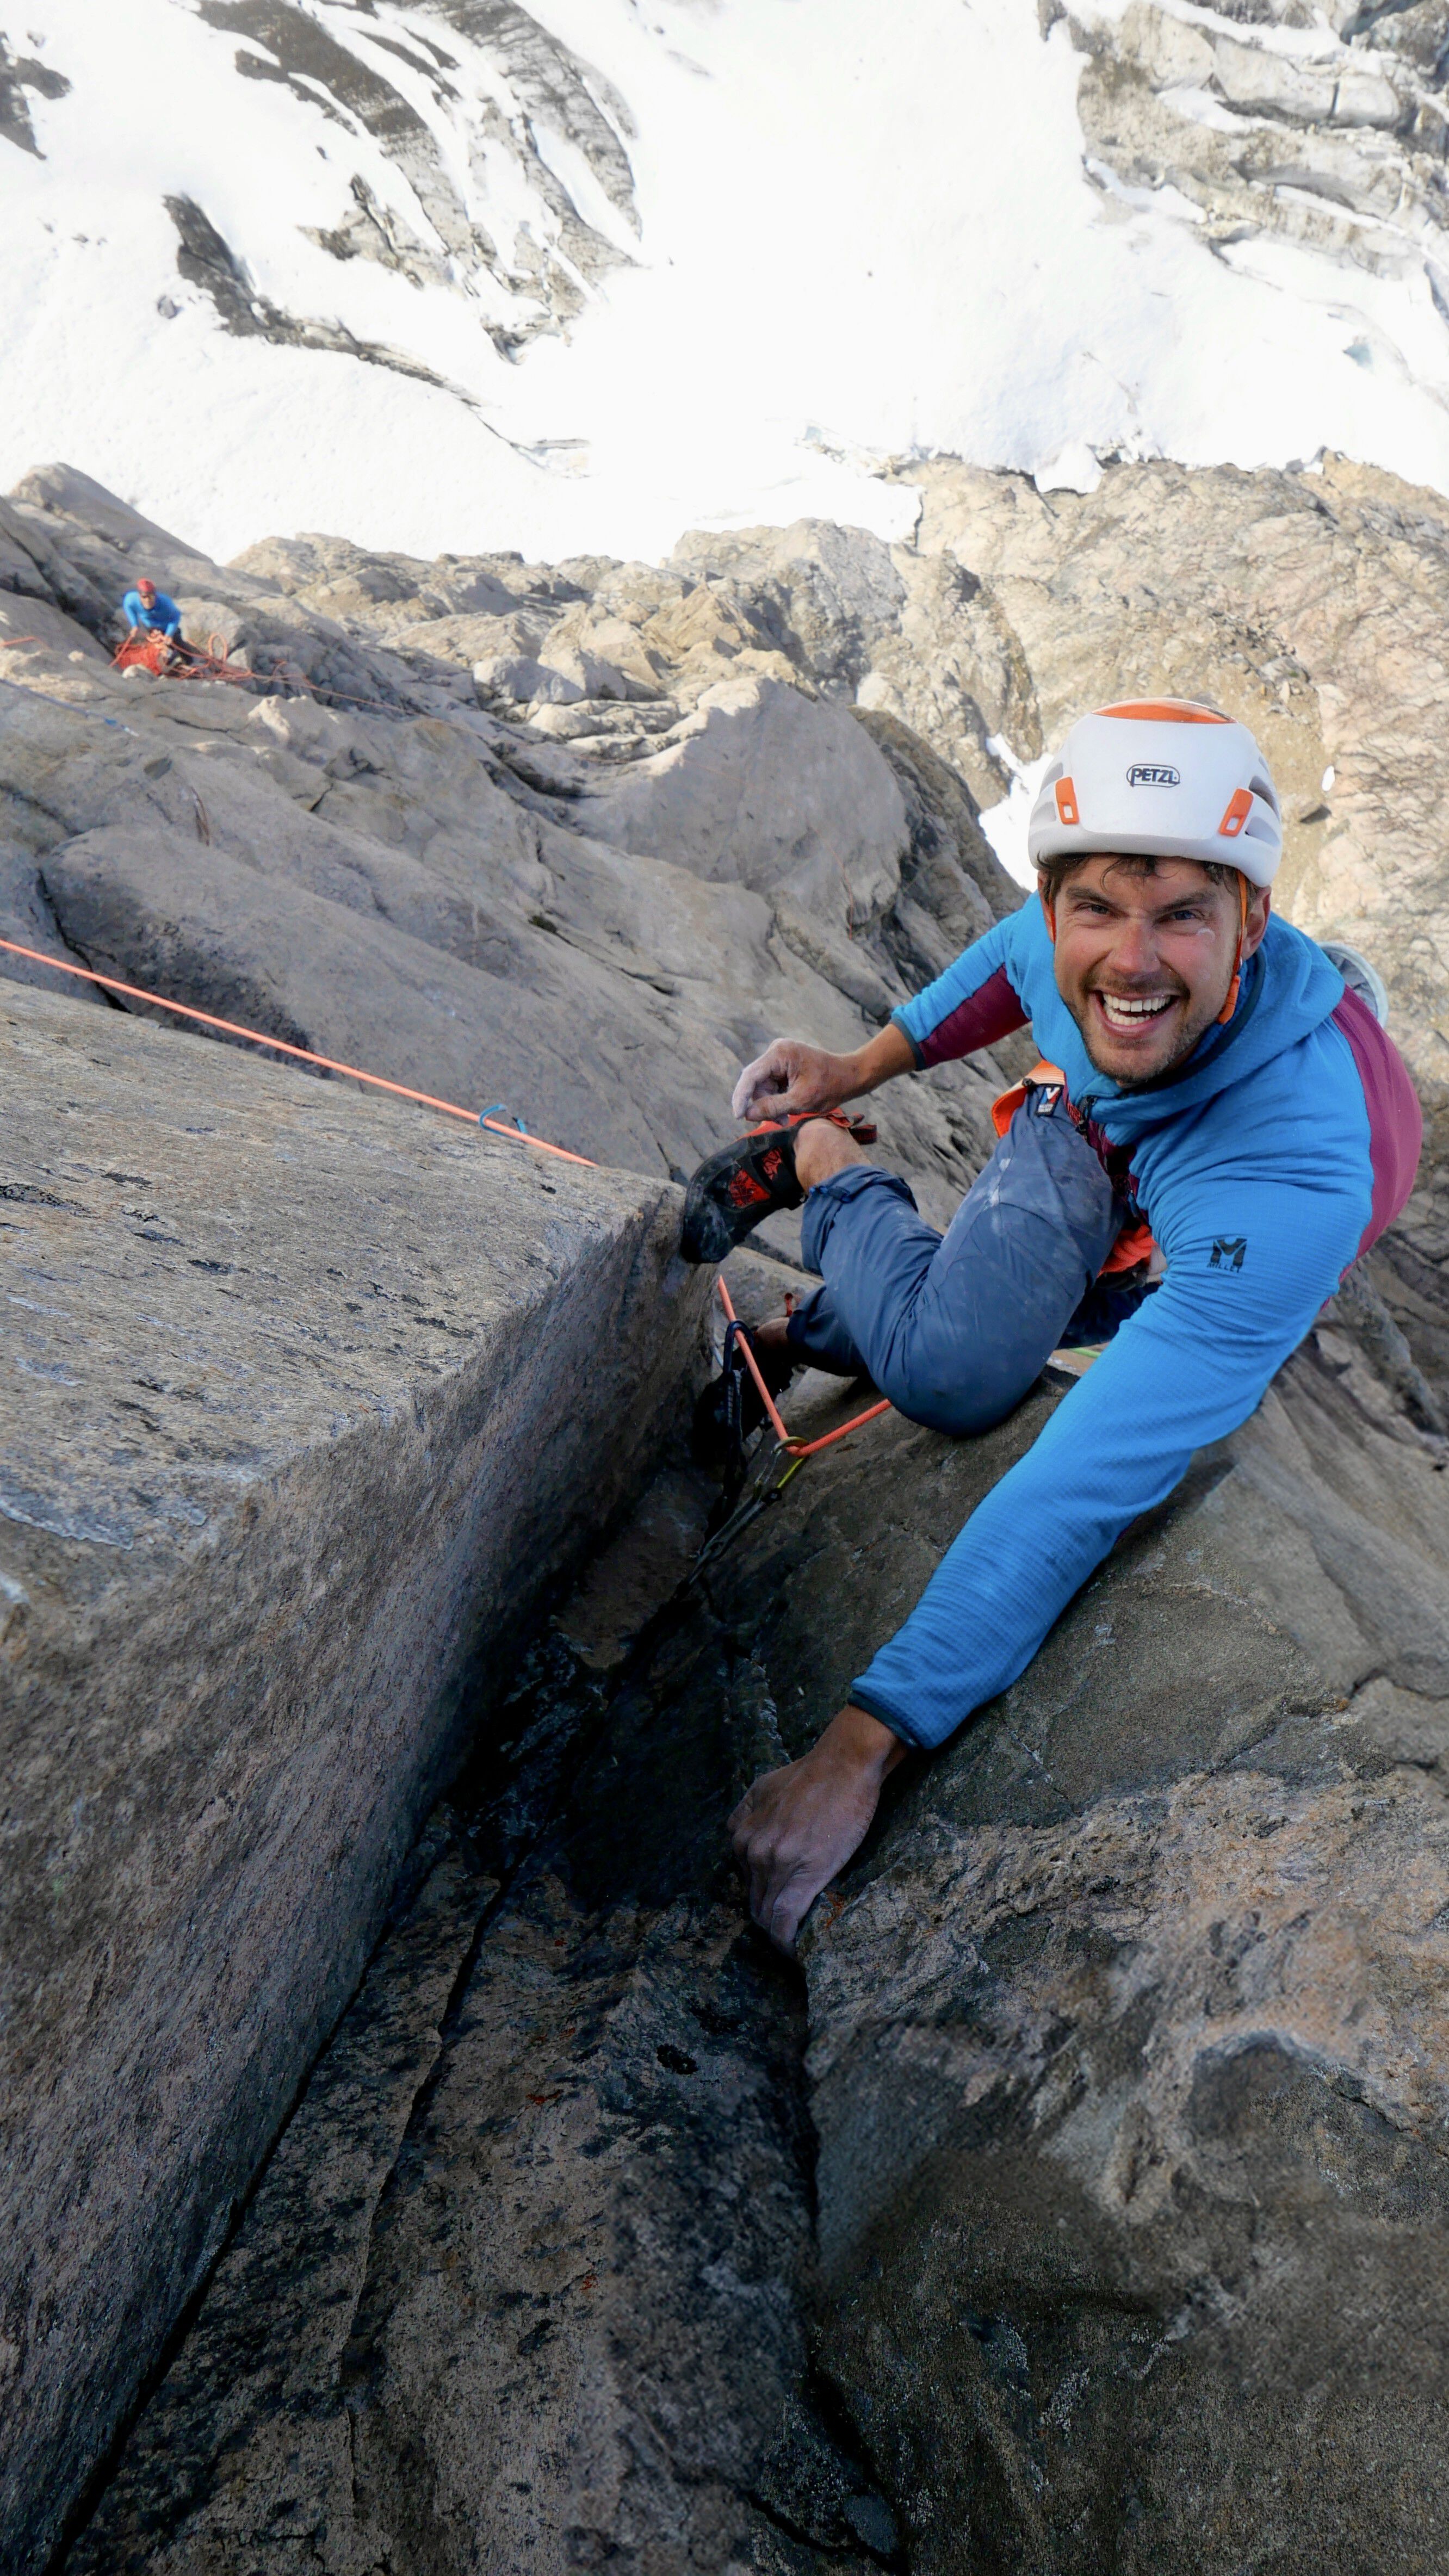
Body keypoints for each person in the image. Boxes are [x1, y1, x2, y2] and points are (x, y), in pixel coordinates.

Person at [682, 700, 1422, 1953]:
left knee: (1040, 1357)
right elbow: (1004, 963)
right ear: (1061, 899)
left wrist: (864, 1740)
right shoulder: (1078, 945)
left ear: (1251, 920)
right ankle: (820, 1170)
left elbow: (1087, 1475)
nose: (1129, 961)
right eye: (1098, 911)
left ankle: (817, 1323)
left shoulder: (1289, 1168)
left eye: (1183, 913)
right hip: (1088, 1135)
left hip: (1206, 1192)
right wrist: (850, 1077)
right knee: (959, 1370)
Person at [121, 578, 183, 643]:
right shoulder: (131, 599)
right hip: (150, 629)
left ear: (155, 595)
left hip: (167, 627)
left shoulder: (165, 603)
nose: (147, 600)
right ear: (139, 596)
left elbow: (176, 617)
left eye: (150, 597)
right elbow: (128, 607)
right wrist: (135, 625)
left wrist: (169, 634)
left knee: (179, 646)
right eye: (144, 597)